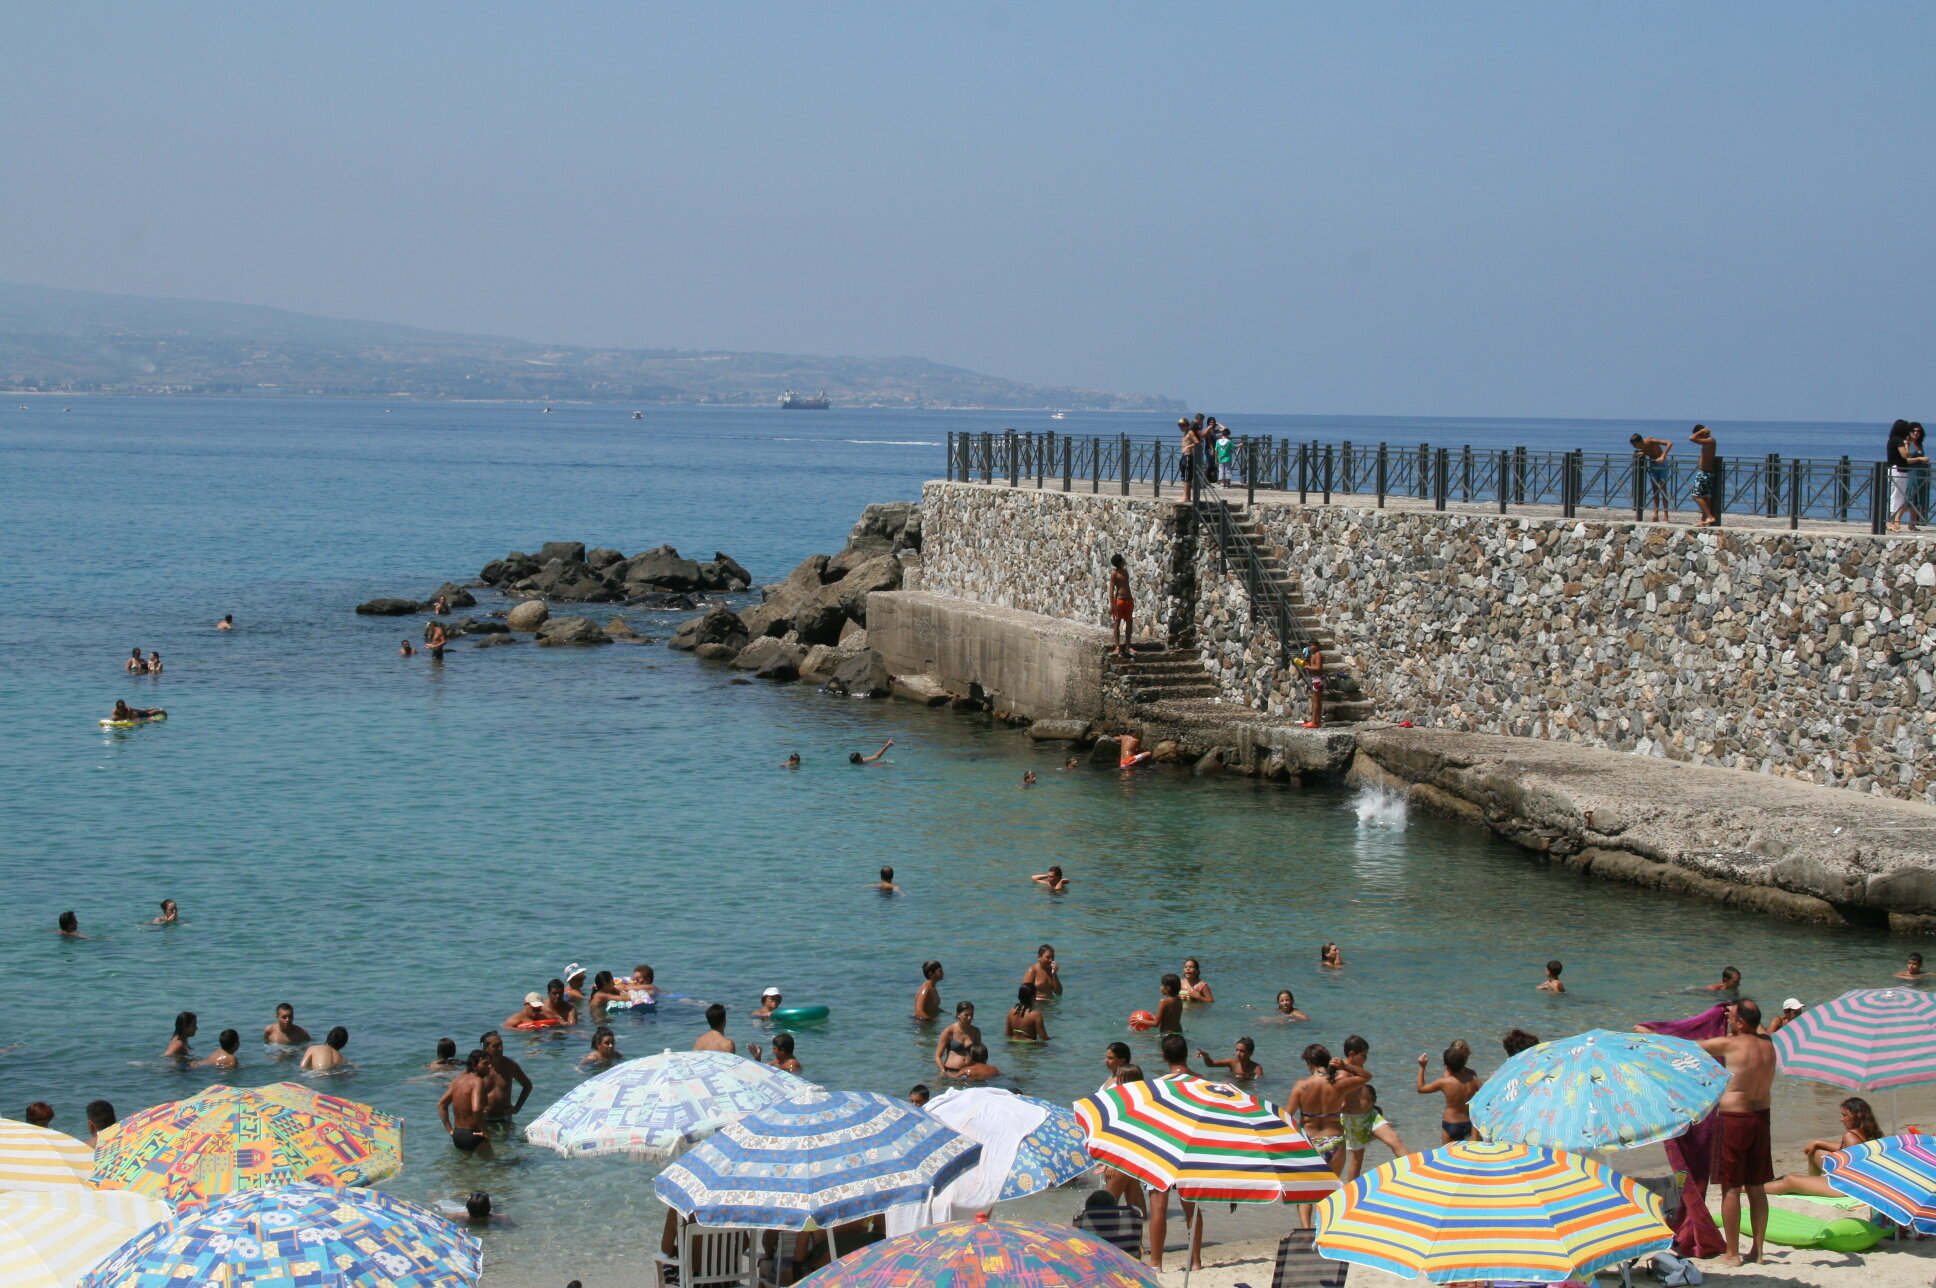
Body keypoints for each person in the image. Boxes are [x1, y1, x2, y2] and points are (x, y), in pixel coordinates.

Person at [1698, 999, 1777, 1265]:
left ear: (1742, 1022)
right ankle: (1758, 1251)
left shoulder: (1729, 1044)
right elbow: (1759, 1025)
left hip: (1734, 1120)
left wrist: (1653, 1035)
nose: (1728, 1019)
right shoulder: (1768, 1043)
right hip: (1761, 1118)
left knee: (1731, 1187)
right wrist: (1738, 1011)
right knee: (1756, 1186)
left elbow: (1687, 1047)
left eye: (1731, 1017)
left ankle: (1733, 1254)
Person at [1766, 1098, 1884, 1197]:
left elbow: (1848, 1171)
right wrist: (1818, 1142)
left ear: (1856, 1117)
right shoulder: (1867, 1132)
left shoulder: (1851, 1137)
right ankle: (1809, 1182)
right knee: (1815, 1151)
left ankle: (1749, 1189)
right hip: (1861, 1182)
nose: (1841, 1119)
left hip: (1847, 1187)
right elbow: (1844, 1149)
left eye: (1844, 1115)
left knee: (1790, 1181)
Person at [1339, 1036, 1407, 1182]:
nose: (1366, 1059)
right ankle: (1350, 1196)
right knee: (1357, 1160)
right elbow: (1328, 1093)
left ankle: (1417, 1171)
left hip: (1371, 1114)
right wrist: (1339, 1108)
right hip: (1354, 1120)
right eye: (1363, 1056)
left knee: (1395, 1140)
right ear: (1352, 1054)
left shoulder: (1357, 1068)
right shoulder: (1343, 1073)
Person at [1286, 1043, 1367, 1163]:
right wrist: (1345, 1066)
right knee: (1334, 1181)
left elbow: (1287, 1117)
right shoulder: (1339, 1084)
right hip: (1334, 1139)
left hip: (1309, 1140)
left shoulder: (1301, 1085)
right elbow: (1366, 1076)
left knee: (1310, 1182)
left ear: (1310, 1063)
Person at [1417, 1043, 1482, 1143]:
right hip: (1469, 1123)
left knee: (1448, 1155)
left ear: (1447, 1066)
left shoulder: (1444, 1082)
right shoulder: (1474, 1080)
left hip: (1451, 1124)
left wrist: (1422, 1067)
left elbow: (1421, 1088)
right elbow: (1486, 1097)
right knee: (1469, 1154)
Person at [439, 1050, 495, 1156]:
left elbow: (441, 1105)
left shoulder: (457, 1081)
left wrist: (450, 1131)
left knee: (465, 1169)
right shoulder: (477, 1081)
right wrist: (485, 1131)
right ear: (474, 1065)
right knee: (493, 1169)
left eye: (490, 1063)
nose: (490, 1066)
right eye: (485, 1064)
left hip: (458, 1135)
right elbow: (476, 1109)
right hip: (474, 1134)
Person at [1072, 1185, 1145, 1258]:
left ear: (1087, 1216)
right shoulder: (1127, 1236)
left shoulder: (1085, 1237)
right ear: (1116, 1215)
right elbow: (1137, 1256)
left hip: (1093, 1267)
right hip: (1125, 1267)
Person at [479, 1031, 532, 1118]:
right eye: (495, 1046)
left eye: (501, 1045)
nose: (500, 1048)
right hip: (483, 1120)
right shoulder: (479, 1068)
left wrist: (517, 1108)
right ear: (485, 1048)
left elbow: (527, 1086)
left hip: (505, 1119)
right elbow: (465, 1091)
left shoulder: (510, 1065)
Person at [1888, 420, 1929, 532]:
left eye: (1918, 431)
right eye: (1913, 431)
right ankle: (1896, 519)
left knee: (1916, 499)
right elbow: (1905, 458)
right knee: (1909, 498)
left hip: (1920, 472)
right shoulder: (1905, 442)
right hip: (1909, 472)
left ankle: (1912, 523)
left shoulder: (1918, 444)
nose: (1916, 433)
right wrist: (1919, 458)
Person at [1630, 433, 1674, 521]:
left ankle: (1666, 515)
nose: (1634, 447)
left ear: (1640, 441)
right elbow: (1647, 451)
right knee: (1655, 490)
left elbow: (1669, 443)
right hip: (1653, 465)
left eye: (1635, 445)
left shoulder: (1650, 441)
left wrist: (1663, 456)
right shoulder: (1641, 448)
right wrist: (1642, 453)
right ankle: (1655, 515)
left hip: (1662, 465)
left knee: (1663, 489)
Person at [933, 1001, 980, 1075]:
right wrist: (944, 1072)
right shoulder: (949, 1031)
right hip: (951, 1072)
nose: (969, 1018)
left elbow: (979, 1056)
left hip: (969, 1073)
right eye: (966, 1015)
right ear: (958, 1015)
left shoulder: (976, 1031)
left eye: (971, 1014)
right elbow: (937, 1057)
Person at [1689, 424, 1719, 527]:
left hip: (1705, 472)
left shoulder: (1709, 441)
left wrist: (1701, 431)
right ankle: (1704, 520)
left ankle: (1710, 516)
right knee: (1706, 497)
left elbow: (1691, 438)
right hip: (1707, 472)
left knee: (1695, 495)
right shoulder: (1708, 442)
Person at [1196, 1036, 1261, 1080]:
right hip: (1234, 1084)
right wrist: (1206, 1057)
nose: (1238, 1053)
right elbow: (1210, 1064)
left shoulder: (1256, 1068)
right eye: (1237, 1050)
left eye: (1242, 1051)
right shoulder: (1232, 1062)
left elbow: (1259, 1084)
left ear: (1250, 1053)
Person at [1107, 554, 1135, 658]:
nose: (1124, 560)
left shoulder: (1125, 571)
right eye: (1122, 559)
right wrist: (1111, 604)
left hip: (1128, 599)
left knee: (1129, 622)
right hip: (1119, 599)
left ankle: (1128, 645)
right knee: (1117, 622)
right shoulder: (1115, 573)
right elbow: (1111, 589)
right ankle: (1117, 646)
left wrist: (1131, 599)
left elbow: (1127, 586)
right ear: (1119, 562)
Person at [1298, 644, 1325, 728]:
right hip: (1316, 679)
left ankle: (1313, 721)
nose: (1311, 647)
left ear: (1317, 645)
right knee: (1317, 700)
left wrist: (1308, 667)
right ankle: (1318, 721)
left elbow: (1318, 667)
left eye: (1313, 645)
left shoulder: (1318, 655)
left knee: (1315, 701)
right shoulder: (1313, 655)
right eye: (1310, 645)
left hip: (1318, 679)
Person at [1178, 416, 1202, 504]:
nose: (1180, 427)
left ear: (1186, 425)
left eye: (1181, 425)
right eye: (1179, 425)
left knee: (1187, 477)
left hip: (1189, 456)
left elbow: (1198, 442)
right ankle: (1185, 495)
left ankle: (1186, 497)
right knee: (1183, 477)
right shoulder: (1185, 433)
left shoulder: (1190, 432)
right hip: (1184, 456)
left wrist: (1188, 446)